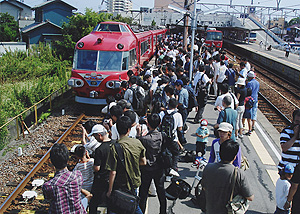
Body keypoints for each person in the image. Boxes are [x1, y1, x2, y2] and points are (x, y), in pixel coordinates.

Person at [106, 116, 146, 214]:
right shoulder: (137, 143)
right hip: (133, 182)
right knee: (132, 205)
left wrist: (109, 190)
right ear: (129, 129)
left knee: (116, 207)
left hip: (120, 184)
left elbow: (113, 172)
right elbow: (144, 162)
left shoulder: (114, 148)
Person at [202, 139, 254, 214]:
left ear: (219, 154)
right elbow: (250, 197)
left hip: (210, 210)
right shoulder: (238, 173)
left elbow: (204, 187)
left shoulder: (208, 168)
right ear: (234, 157)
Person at [42, 143, 91, 213]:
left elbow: (48, 198)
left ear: (52, 162)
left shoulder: (48, 186)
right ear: (68, 159)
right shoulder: (77, 176)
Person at [138, 113, 167, 214]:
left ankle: (141, 211)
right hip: (159, 167)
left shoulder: (144, 139)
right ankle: (163, 211)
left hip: (146, 168)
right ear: (159, 123)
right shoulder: (162, 136)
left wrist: (139, 134)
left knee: (143, 193)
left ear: (147, 124)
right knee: (161, 191)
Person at [89, 124, 112, 214]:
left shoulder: (99, 149)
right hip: (112, 178)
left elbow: (97, 168)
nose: (95, 138)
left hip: (101, 180)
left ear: (99, 135)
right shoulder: (115, 144)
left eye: (95, 136)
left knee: (94, 202)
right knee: (110, 203)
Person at [159, 98, 183, 177]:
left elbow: (159, 125)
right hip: (173, 138)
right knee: (175, 154)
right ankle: (173, 169)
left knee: (164, 154)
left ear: (168, 104)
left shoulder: (162, 113)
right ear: (176, 106)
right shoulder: (178, 115)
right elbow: (180, 128)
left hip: (163, 138)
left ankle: (165, 171)